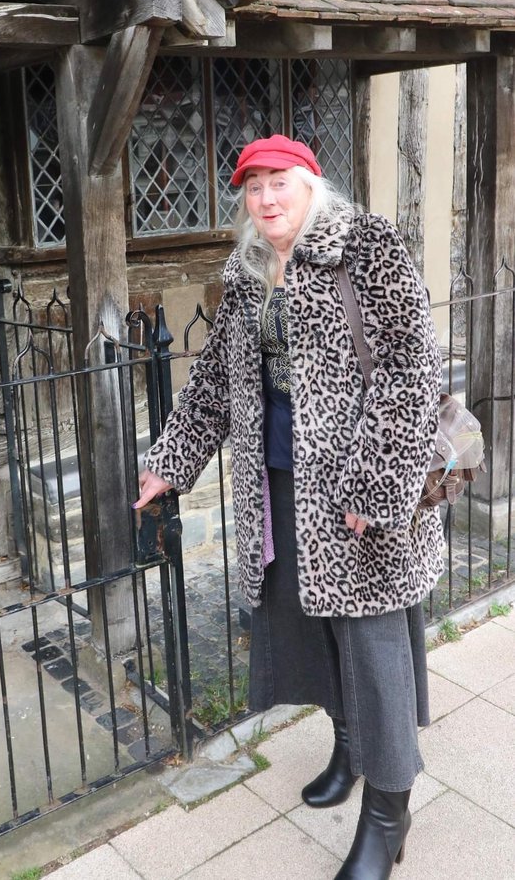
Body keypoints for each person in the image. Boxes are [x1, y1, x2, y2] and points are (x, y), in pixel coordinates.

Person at [134, 134, 443, 880]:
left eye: (280, 182)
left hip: (359, 485)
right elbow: (212, 382)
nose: (267, 198)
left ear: (311, 183)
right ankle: (348, 745)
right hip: (280, 478)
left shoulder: (365, 244)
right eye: (253, 186)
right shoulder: (246, 274)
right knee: (315, 627)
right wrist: (169, 465)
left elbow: (411, 367)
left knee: (371, 646)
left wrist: (375, 486)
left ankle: (386, 813)